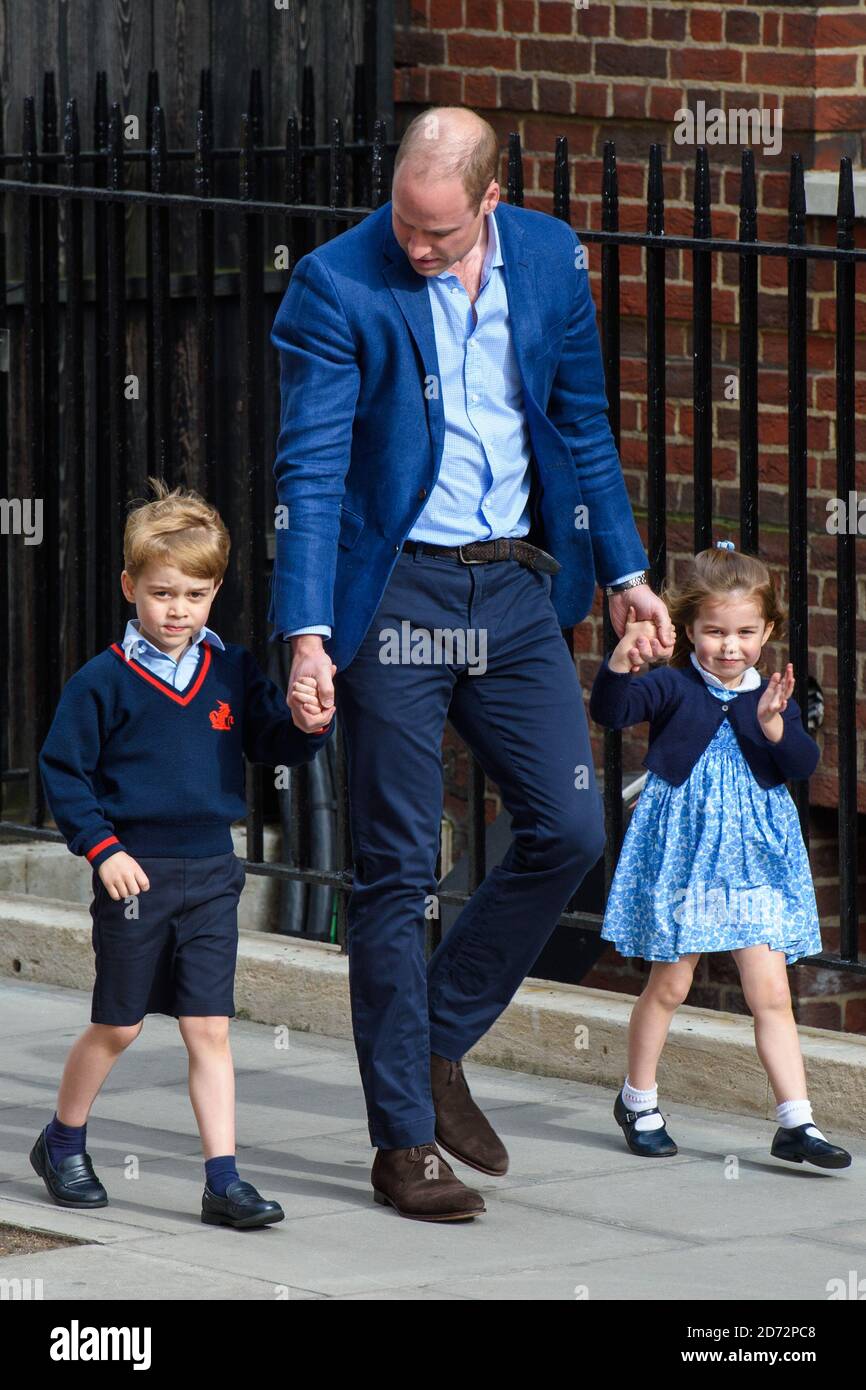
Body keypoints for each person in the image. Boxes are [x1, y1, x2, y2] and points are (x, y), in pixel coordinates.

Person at [270, 104, 674, 1220]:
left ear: (490, 200)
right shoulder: (337, 283)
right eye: (404, 220)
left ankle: (436, 1039)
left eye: (438, 234)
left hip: (509, 587)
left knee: (573, 824)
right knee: (396, 869)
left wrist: (627, 572)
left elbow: (581, 420)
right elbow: (308, 469)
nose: (415, 247)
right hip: (395, 591)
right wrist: (307, 631)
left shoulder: (549, 257)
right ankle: (401, 1141)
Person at [30, 479, 336, 1228]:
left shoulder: (232, 672)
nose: (178, 609)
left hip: (211, 876)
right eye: (163, 592)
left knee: (209, 1029)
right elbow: (62, 772)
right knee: (121, 1025)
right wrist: (102, 850)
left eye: (195, 595)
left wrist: (309, 721)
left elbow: (273, 742)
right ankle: (62, 1141)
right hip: (134, 875)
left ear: (216, 592)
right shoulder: (102, 682)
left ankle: (223, 1181)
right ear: (131, 585)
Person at [589, 540, 851, 1170]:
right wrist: (620, 664)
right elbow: (612, 711)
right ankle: (639, 1100)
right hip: (686, 855)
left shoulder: (771, 697)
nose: (729, 647)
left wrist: (772, 727)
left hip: (753, 862)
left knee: (772, 994)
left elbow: (805, 767)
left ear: (766, 632)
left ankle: (797, 1122)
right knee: (671, 983)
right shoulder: (675, 686)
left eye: (744, 633)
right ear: (688, 629)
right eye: (713, 632)